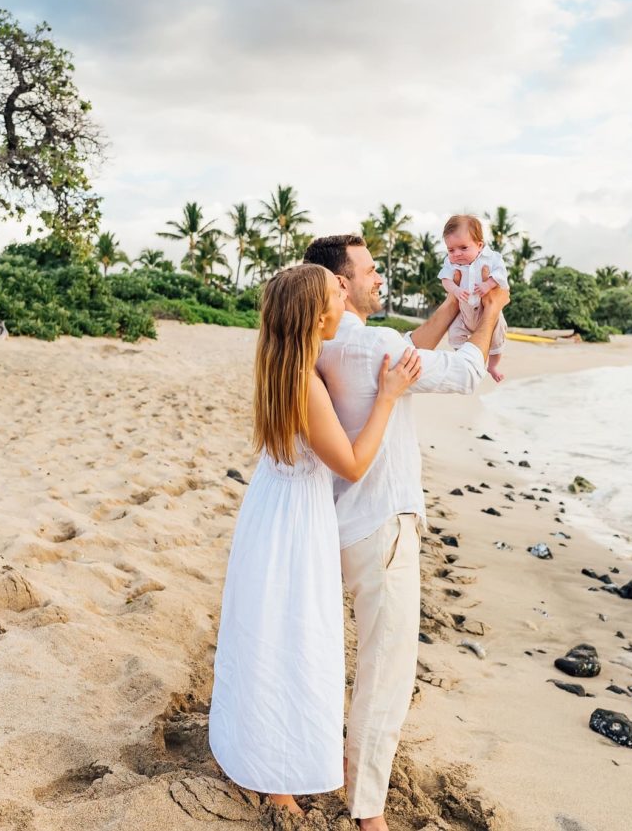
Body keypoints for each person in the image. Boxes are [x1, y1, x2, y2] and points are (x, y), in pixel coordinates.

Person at [302, 234, 509, 831]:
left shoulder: (327, 343)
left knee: (343, 659)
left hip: (336, 523)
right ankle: (368, 811)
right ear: (339, 283)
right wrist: (489, 309)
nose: (379, 278)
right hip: (383, 526)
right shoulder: (373, 345)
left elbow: (407, 349)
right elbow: (467, 373)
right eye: (369, 271)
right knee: (385, 671)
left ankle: (337, 764)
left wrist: (452, 306)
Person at [208, 264, 423, 818]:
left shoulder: (284, 365)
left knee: (269, 636)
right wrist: (388, 397)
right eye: (336, 292)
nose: (345, 295)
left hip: (271, 509)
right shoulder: (304, 382)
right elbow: (352, 465)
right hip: (296, 523)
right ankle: (279, 783)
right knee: (293, 642)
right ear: (317, 313)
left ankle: (269, 768)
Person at [438, 213, 510, 382]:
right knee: (454, 333)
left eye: (463, 248)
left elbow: (501, 273)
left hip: (487, 311)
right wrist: (455, 290)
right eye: (451, 250)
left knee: (497, 337)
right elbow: (445, 280)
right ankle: (465, 359)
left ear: (479, 245)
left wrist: (488, 284)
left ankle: (492, 366)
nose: (457, 254)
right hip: (464, 312)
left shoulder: (491, 258)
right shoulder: (450, 263)